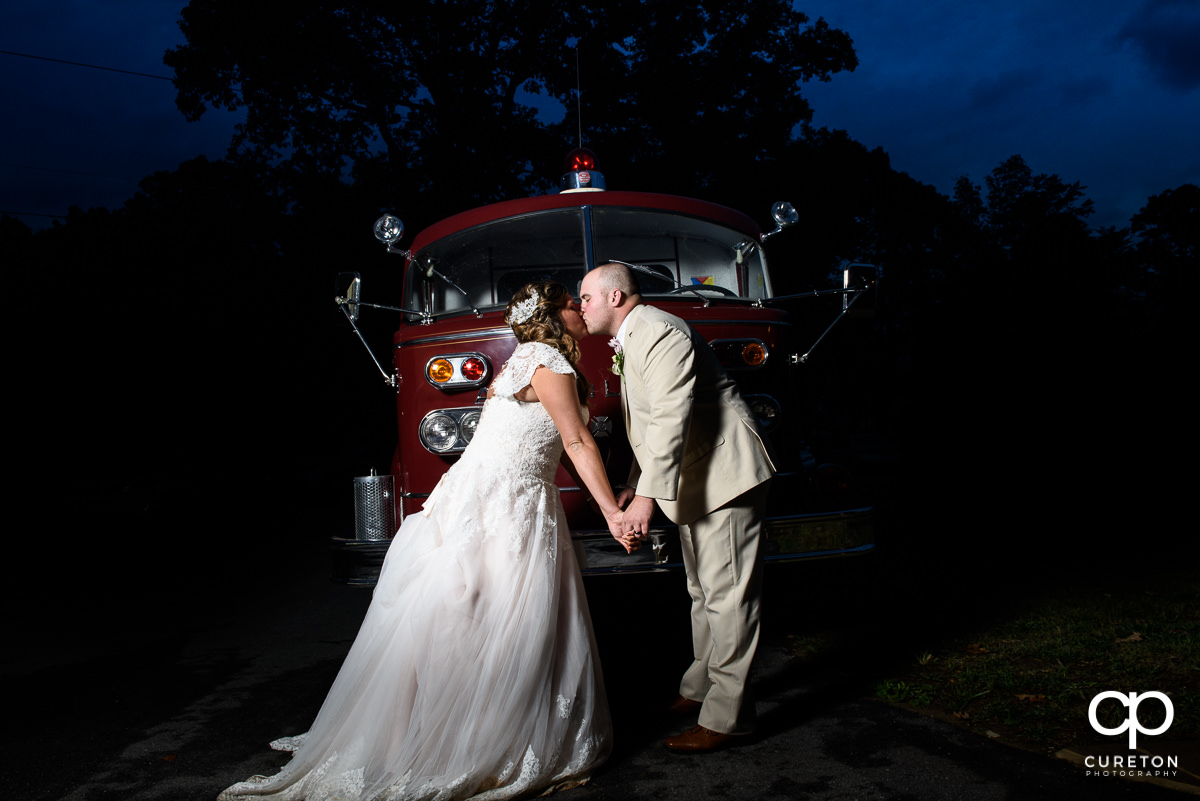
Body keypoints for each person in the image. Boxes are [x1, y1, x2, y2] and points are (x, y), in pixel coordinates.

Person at [219, 281, 634, 801]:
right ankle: (475, 736)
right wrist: (613, 512)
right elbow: (574, 440)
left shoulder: (520, 361)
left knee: (471, 614)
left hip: (478, 492)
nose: (581, 311)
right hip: (510, 500)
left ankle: (450, 723)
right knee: (507, 616)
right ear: (555, 317)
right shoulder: (549, 362)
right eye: (575, 305)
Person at [578, 262, 775, 754]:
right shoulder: (636, 334)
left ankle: (730, 719)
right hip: (694, 478)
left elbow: (671, 417)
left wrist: (647, 497)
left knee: (728, 597)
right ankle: (700, 689)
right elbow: (645, 426)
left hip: (724, 476)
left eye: (586, 297)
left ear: (617, 297)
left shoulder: (661, 330)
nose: (581, 306)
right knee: (702, 591)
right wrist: (633, 484)